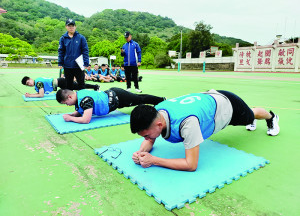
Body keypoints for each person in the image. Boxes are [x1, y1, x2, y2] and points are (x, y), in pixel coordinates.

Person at [129, 89, 280, 171]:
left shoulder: (187, 123)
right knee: (248, 115)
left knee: (250, 114)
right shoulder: (156, 113)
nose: (147, 139)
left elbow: (191, 165)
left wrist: (154, 160)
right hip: (209, 99)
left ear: (159, 125)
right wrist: (142, 152)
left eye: (147, 135)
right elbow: (150, 139)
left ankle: (271, 117)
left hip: (228, 105)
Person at [56, 88, 165, 124]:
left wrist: (70, 118)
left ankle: (161, 100)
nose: (67, 105)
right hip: (113, 97)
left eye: (66, 103)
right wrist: (73, 114)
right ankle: (159, 100)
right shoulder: (79, 94)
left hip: (118, 97)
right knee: (138, 98)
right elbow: (81, 111)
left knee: (139, 99)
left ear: (69, 97)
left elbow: (86, 119)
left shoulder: (85, 100)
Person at [58, 19, 89, 90]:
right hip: (67, 65)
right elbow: (61, 51)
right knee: (68, 85)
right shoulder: (63, 38)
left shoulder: (81, 38)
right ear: (66, 27)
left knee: (81, 84)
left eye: (72, 26)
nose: (71, 27)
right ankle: (70, 99)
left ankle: (82, 99)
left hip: (79, 65)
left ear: (75, 27)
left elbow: (85, 51)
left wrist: (86, 63)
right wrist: (60, 62)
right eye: (69, 26)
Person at [22, 76, 99, 98]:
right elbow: (39, 92)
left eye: (28, 82)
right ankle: (94, 87)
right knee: (78, 86)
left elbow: (41, 95)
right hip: (61, 83)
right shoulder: (37, 82)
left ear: (30, 79)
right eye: (27, 84)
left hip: (62, 83)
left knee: (79, 86)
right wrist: (31, 94)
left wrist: (30, 96)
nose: (29, 84)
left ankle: (95, 86)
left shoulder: (38, 83)